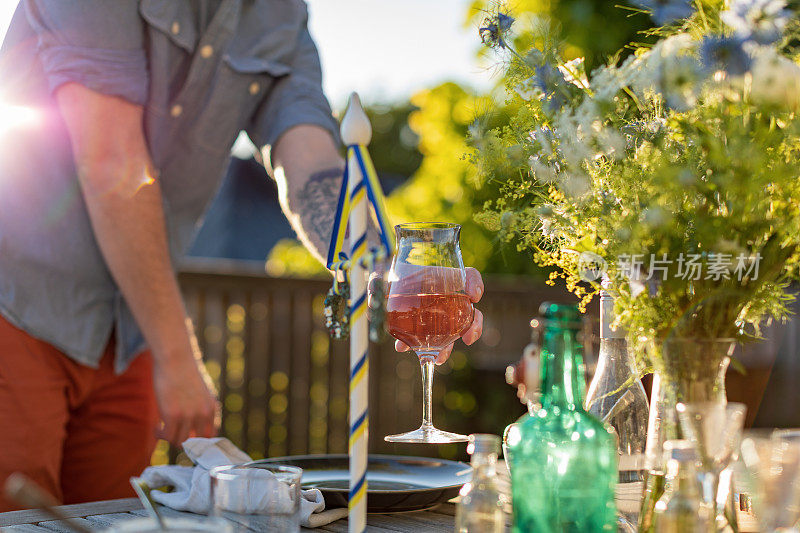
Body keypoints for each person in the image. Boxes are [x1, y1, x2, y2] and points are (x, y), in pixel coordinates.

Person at [0, 0, 484, 511]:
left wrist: (389, 274)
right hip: (17, 306)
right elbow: (111, 161)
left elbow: (313, 167)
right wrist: (174, 354)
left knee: (104, 520)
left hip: (129, 325)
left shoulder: (279, 16)